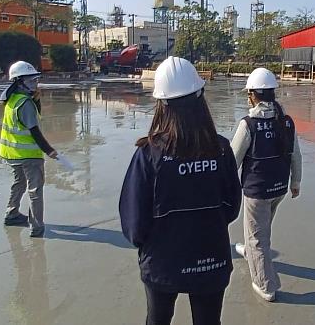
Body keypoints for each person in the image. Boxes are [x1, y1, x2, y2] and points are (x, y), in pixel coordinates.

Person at [119, 56, 242, 325]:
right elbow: (232, 207)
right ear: (201, 96)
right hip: (211, 259)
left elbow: (134, 222)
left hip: (163, 263)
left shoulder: (149, 153)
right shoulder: (221, 149)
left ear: (162, 103)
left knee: (158, 320)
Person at [231, 67, 302, 302]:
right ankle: (250, 250)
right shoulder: (286, 122)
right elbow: (295, 155)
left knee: (257, 237)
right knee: (261, 229)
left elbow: (233, 161)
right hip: (279, 188)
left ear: (252, 95)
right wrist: (296, 182)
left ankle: (266, 285)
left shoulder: (248, 125)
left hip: (257, 191)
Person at [0, 61, 58, 238]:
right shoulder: (24, 103)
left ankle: (12, 214)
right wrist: (49, 150)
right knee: (35, 190)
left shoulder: (12, 98)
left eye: (36, 80)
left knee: (19, 183)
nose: (35, 84)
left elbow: (29, 120)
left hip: (12, 154)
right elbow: (34, 130)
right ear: (19, 81)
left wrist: (36, 100)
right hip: (29, 156)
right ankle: (37, 227)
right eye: (31, 81)